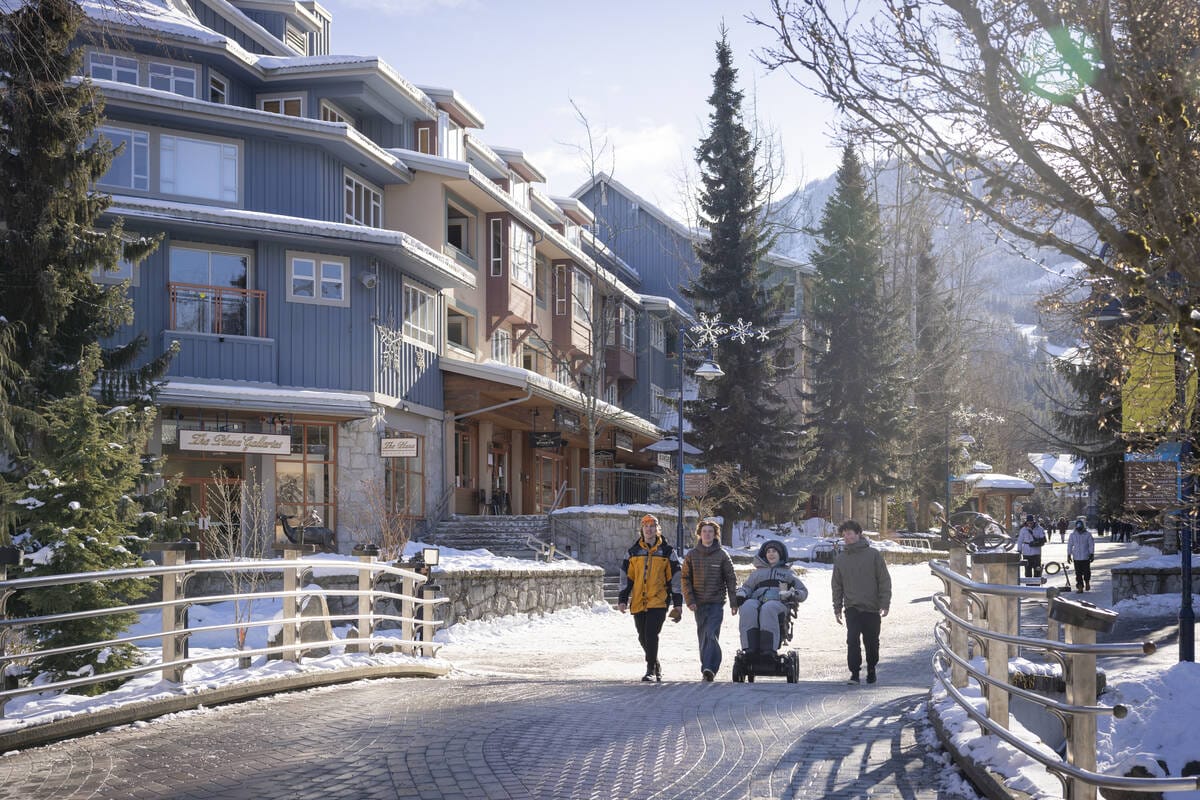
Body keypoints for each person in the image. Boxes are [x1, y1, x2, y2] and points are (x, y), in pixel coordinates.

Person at [617, 514, 683, 682]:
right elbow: (626, 577)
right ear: (642, 529)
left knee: (651, 634)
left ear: (657, 529)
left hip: (658, 600)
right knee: (642, 636)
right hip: (639, 600)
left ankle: (650, 670)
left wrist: (677, 603)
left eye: (652, 526)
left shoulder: (667, 552)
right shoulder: (633, 552)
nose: (649, 529)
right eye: (646, 526)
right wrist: (623, 599)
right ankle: (655, 664)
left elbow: (675, 577)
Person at [831, 520, 891, 685]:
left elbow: (884, 580)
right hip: (852, 607)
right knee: (852, 640)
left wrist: (884, 603)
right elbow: (836, 585)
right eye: (844, 535)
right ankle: (855, 674)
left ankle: (871, 668)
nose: (847, 537)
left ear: (858, 534)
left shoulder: (873, 555)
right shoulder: (841, 559)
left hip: (872, 607)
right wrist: (837, 608)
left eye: (849, 533)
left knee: (871, 641)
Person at [681, 518, 738, 682]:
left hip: (716, 602)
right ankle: (706, 667)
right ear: (699, 534)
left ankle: (710, 668)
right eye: (704, 531)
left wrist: (734, 603)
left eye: (710, 532)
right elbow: (685, 578)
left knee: (711, 633)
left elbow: (731, 579)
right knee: (703, 636)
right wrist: (690, 600)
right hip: (698, 604)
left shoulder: (722, 555)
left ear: (715, 535)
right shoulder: (691, 555)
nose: (707, 534)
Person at [734, 539, 808, 656]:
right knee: (747, 606)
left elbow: (803, 592)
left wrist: (792, 594)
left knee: (768, 608)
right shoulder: (757, 573)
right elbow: (747, 587)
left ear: (780, 554)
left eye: (774, 551)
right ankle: (749, 648)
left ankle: (768, 649)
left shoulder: (788, 573)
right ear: (764, 554)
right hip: (757, 601)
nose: (771, 554)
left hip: (778, 603)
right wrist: (742, 593)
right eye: (768, 551)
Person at [1067, 519, 1096, 592]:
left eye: (1080, 526)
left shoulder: (1087, 534)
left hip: (1085, 556)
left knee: (1086, 571)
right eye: (1077, 526)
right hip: (1076, 557)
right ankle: (1080, 586)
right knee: (1078, 573)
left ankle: (1087, 582)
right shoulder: (1073, 535)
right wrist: (1069, 554)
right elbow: (1070, 545)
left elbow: (1091, 545)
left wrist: (1091, 554)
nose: (1079, 528)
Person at [1016, 514, 1047, 579]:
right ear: (1026, 522)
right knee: (1028, 571)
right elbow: (1020, 541)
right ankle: (1028, 587)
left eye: (1031, 522)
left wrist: (1036, 543)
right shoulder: (1023, 530)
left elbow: (1043, 539)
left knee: (1037, 570)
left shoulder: (1039, 529)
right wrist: (1019, 551)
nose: (1030, 523)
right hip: (1026, 553)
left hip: (1036, 552)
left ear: (1033, 521)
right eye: (1028, 522)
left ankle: (1036, 586)